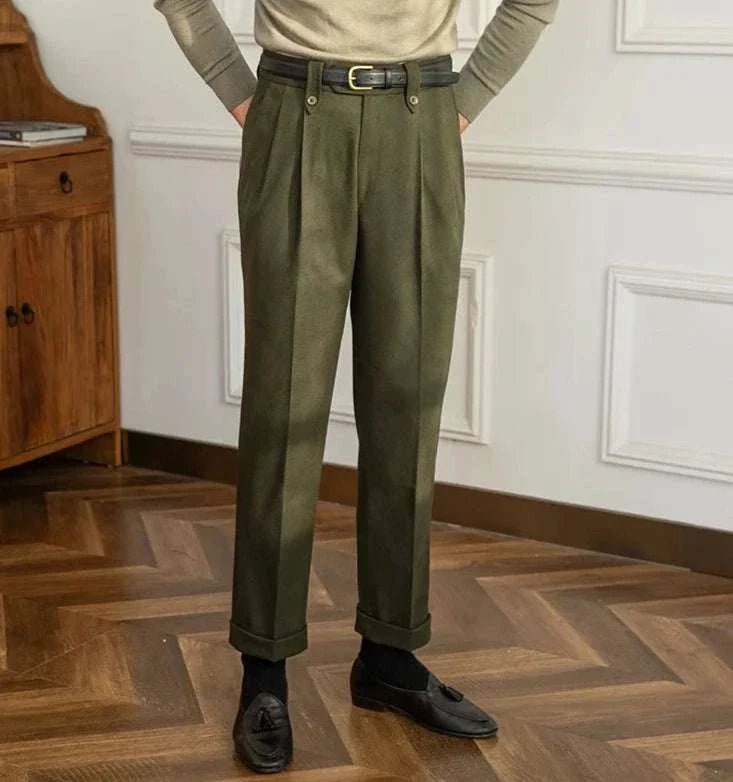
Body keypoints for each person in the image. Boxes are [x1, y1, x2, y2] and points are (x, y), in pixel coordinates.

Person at [154, 0, 559, 773]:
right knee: (282, 409)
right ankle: (264, 670)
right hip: (293, 115)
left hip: (422, 120)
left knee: (407, 403)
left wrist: (463, 101)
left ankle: (390, 658)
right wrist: (240, 91)